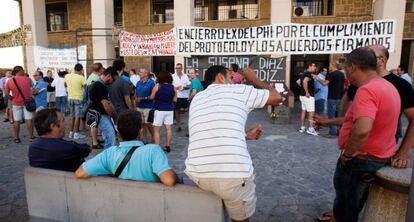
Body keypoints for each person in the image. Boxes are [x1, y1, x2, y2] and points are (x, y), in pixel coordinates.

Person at [185, 65, 282, 222]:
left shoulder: (197, 99)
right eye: (230, 78)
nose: (233, 81)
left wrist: (244, 136)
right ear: (221, 78)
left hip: (198, 174)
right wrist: (253, 79)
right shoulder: (238, 91)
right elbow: (277, 97)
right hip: (233, 176)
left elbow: (214, 130)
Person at [325, 47, 400, 222]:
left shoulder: (366, 90)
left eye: (346, 69)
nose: (346, 74)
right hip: (377, 157)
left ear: (352, 67)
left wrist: (347, 155)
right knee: (351, 205)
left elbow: (363, 128)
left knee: (347, 208)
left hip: (360, 161)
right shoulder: (387, 86)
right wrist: (328, 122)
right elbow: (356, 120)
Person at [75, 110, 178, 187]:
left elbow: (80, 173)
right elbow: (169, 180)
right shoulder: (153, 151)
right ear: (141, 131)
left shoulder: (109, 153)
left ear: (119, 133)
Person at [88, 67, 118, 149]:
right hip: (100, 114)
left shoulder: (97, 84)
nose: (113, 82)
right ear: (108, 76)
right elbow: (106, 106)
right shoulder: (100, 86)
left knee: (108, 135)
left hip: (95, 112)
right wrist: (115, 117)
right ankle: (109, 157)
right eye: (113, 79)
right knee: (110, 135)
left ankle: (107, 154)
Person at [313, 61, 345, 138]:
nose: (329, 67)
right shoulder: (341, 74)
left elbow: (325, 83)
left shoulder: (331, 74)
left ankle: (332, 132)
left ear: (333, 65)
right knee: (338, 115)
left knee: (331, 116)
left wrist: (317, 78)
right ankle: (339, 132)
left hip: (332, 97)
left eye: (330, 66)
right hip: (340, 98)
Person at [4, 66, 35, 143]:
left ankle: (17, 138)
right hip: (27, 102)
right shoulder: (28, 79)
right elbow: (32, 89)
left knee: (16, 120)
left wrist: (12, 98)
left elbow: (6, 93)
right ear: (20, 71)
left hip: (16, 103)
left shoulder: (10, 81)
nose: (24, 71)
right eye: (23, 70)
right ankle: (31, 137)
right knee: (29, 119)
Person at [149, 71, 176, 152]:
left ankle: (157, 146)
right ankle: (167, 146)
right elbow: (175, 99)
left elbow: (151, 97)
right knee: (168, 128)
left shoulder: (158, 86)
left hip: (159, 109)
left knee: (156, 129)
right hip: (169, 110)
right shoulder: (172, 87)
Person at [65, 63, 87, 140]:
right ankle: (76, 134)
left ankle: (71, 133)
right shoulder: (81, 77)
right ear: (81, 70)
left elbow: (65, 84)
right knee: (77, 117)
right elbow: (85, 87)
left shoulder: (67, 76)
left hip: (70, 98)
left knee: (72, 116)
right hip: (78, 98)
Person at [85, 63, 103, 149]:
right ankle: (95, 143)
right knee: (94, 124)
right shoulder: (96, 78)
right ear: (100, 69)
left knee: (93, 123)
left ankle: (94, 140)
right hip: (93, 103)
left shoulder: (91, 76)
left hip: (90, 102)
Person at [136, 68, 155, 144]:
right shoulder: (138, 83)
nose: (139, 73)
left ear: (146, 74)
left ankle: (154, 137)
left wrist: (143, 98)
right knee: (142, 124)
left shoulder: (151, 83)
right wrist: (135, 98)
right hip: (139, 106)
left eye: (141, 72)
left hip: (148, 106)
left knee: (148, 124)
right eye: (139, 72)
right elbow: (136, 93)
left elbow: (153, 95)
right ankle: (145, 141)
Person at [298, 63, 318, 136]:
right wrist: (307, 92)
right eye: (314, 66)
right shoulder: (308, 74)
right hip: (308, 96)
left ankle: (302, 127)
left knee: (303, 111)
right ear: (309, 66)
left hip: (302, 95)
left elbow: (299, 82)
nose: (315, 67)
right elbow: (304, 81)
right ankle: (311, 128)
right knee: (311, 112)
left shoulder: (304, 73)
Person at [172, 63, 190, 132]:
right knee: (177, 111)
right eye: (177, 68)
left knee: (186, 111)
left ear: (182, 68)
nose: (178, 69)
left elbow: (189, 86)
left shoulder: (185, 76)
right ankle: (178, 125)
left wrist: (184, 87)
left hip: (185, 96)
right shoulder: (173, 76)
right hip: (177, 96)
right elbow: (171, 86)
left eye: (179, 68)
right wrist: (176, 87)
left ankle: (189, 125)